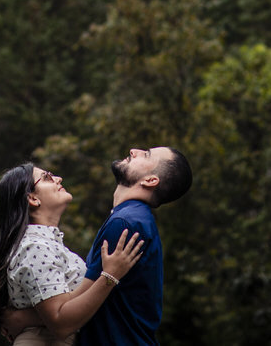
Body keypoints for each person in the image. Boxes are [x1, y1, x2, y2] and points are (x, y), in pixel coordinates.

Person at [0, 162, 144, 344]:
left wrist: (24, 317)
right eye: (47, 177)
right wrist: (110, 276)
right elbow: (61, 323)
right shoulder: (34, 247)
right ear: (32, 198)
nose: (58, 178)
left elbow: (65, 305)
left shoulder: (49, 245)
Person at [76, 146, 192, 346]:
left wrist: (21, 318)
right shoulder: (135, 219)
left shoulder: (126, 223)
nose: (133, 150)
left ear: (150, 180)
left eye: (146, 154)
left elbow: (76, 307)